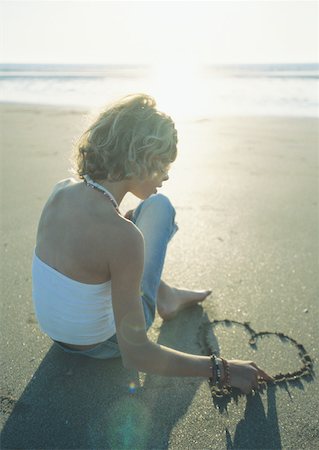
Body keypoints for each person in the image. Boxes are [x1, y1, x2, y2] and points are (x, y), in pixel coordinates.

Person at [32, 93, 272, 395]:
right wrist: (220, 368)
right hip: (103, 344)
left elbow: (82, 256)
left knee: (141, 217)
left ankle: (166, 291)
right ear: (139, 158)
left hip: (58, 334)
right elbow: (136, 354)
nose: (167, 175)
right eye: (162, 164)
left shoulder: (60, 191)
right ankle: (165, 298)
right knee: (159, 207)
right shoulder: (123, 237)